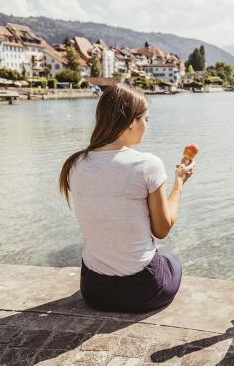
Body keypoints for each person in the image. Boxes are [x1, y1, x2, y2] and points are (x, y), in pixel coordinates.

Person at [59, 84, 194, 313]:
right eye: (146, 119)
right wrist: (179, 183)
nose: (147, 126)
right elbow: (162, 229)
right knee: (173, 260)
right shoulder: (147, 164)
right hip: (143, 291)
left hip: (94, 290)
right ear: (132, 121)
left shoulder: (75, 164)